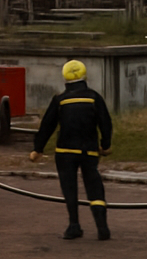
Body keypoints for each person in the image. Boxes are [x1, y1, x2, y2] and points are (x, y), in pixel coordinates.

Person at [31, 59, 112, 240]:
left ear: (64, 78)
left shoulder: (60, 100)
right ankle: (102, 227)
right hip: (89, 151)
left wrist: (38, 149)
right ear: (85, 75)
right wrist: (105, 145)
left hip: (65, 152)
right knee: (94, 186)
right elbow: (105, 123)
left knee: (69, 188)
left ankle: (74, 225)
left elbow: (47, 126)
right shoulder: (94, 98)